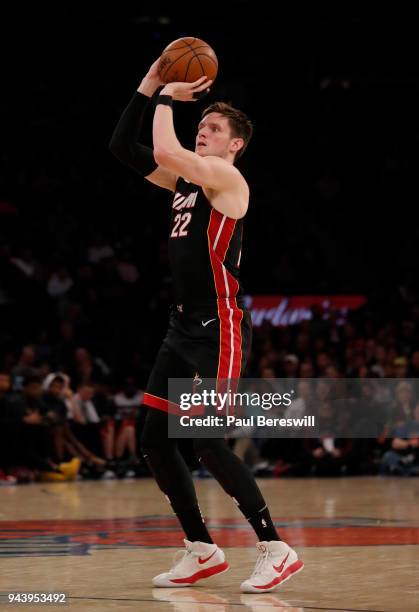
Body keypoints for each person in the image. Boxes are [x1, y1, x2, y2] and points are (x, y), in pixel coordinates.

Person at [109, 56, 303, 593]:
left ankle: (276, 548)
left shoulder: (225, 177)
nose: (203, 132)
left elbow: (166, 149)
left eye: (213, 128)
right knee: (153, 437)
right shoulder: (185, 182)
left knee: (208, 442)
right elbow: (124, 149)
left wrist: (170, 97)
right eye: (202, 126)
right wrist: (148, 84)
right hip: (181, 326)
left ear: (235, 144)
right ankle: (200, 548)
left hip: (219, 327)